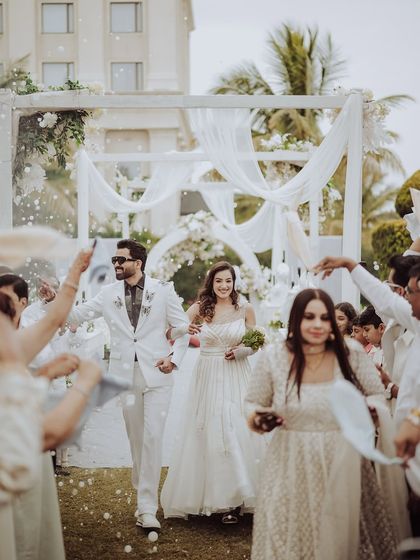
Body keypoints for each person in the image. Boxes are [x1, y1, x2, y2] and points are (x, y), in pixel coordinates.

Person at [245, 288, 407, 560]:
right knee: (288, 536)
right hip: (289, 462)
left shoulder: (351, 354)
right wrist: (259, 417)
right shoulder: (274, 357)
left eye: (324, 318)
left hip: (341, 462)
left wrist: (370, 412)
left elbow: (376, 395)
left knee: (344, 537)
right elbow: (252, 402)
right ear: (296, 319)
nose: (318, 324)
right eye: (309, 317)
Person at [47, 239, 193, 531]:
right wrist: (55, 297)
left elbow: (182, 330)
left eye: (120, 260)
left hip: (158, 375)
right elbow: (76, 315)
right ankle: (144, 492)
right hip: (125, 376)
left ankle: (147, 507)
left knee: (153, 438)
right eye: (114, 260)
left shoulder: (164, 290)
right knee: (137, 440)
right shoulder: (107, 293)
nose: (115, 264)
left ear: (137, 263)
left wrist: (174, 359)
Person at [161, 261, 267, 523]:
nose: (223, 286)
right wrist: (186, 328)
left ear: (234, 282)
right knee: (209, 430)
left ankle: (236, 501)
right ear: (212, 282)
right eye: (218, 281)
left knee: (235, 428)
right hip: (207, 374)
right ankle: (214, 496)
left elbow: (255, 342)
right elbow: (170, 331)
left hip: (237, 374)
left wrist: (244, 351)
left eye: (228, 281)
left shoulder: (245, 308)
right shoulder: (199, 308)